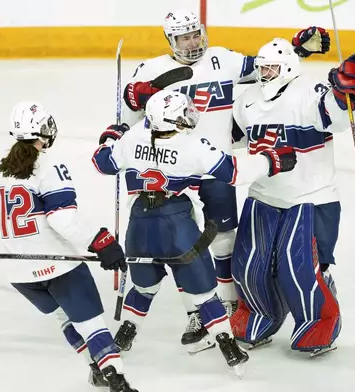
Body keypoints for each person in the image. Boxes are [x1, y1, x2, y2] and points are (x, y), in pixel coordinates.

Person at [120, 8, 330, 352]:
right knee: (179, 244)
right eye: (184, 37)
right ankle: (197, 312)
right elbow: (128, 123)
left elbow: (267, 67)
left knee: (223, 238)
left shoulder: (224, 60)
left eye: (196, 33)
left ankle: (228, 304)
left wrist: (299, 49)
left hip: (214, 163)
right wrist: (133, 101)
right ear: (170, 40)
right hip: (172, 169)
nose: (193, 41)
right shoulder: (151, 69)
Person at [92, 91, 297, 376]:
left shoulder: (134, 136)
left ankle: (123, 335)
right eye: (182, 112)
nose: (189, 115)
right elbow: (235, 172)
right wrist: (270, 161)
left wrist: (111, 136)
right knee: (204, 294)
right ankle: (229, 349)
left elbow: (102, 163)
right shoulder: (193, 145)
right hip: (177, 226)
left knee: (142, 287)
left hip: (139, 225)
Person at [230, 38, 355, 356]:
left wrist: (343, 91)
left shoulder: (310, 91)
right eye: (262, 67)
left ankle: (317, 321)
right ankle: (259, 314)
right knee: (247, 265)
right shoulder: (248, 99)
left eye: (272, 67)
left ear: (289, 67)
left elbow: (336, 117)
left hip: (309, 197)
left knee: (300, 269)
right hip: (263, 195)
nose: (265, 72)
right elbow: (230, 136)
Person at [0, 102, 138, 392]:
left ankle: (95, 369)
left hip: (19, 270)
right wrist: (102, 241)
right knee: (92, 324)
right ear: (44, 131)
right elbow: (62, 220)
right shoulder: (49, 166)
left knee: (65, 318)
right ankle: (115, 378)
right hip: (58, 264)